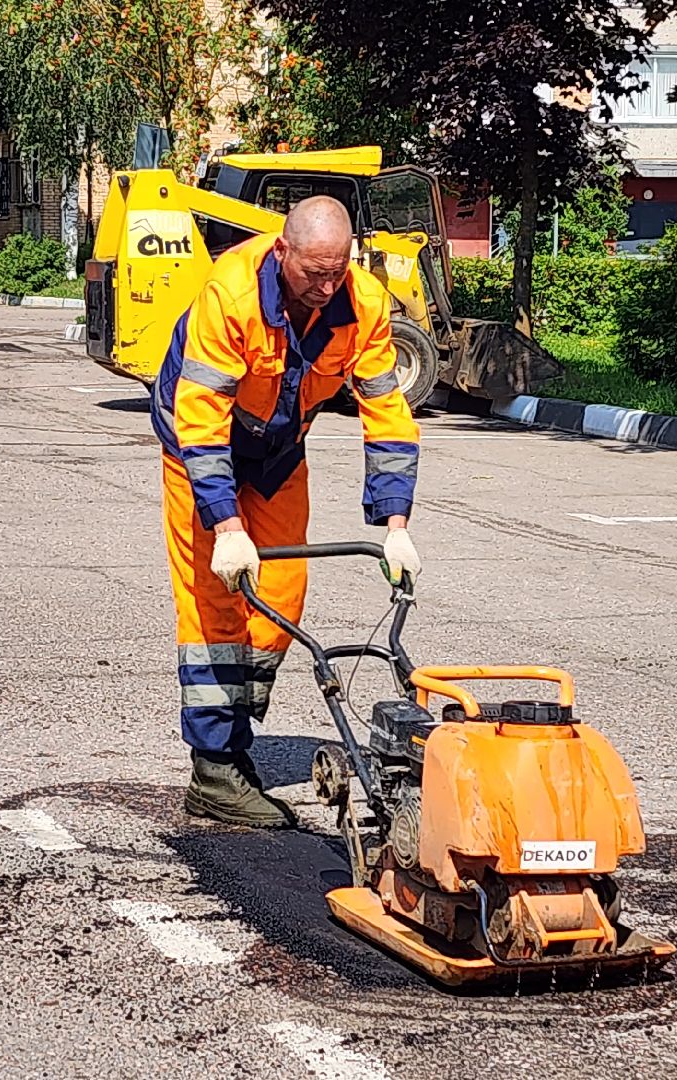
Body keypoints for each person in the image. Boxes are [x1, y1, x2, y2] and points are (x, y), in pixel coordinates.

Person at [153, 195, 422, 828]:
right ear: (283, 252)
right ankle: (215, 770)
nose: (327, 287)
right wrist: (225, 525)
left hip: (277, 450)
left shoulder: (365, 305)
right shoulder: (231, 295)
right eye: (313, 274)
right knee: (215, 600)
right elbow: (201, 419)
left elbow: (387, 415)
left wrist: (396, 526)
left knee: (282, 592)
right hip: (201, 446)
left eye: (338, 271)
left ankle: (236, 733)